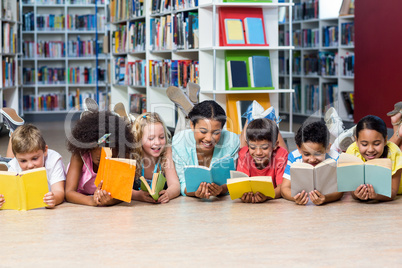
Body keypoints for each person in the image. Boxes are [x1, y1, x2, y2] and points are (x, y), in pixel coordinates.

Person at [172, 100, 240, 199]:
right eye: (203, 131)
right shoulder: (179, 142)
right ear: (192, 125)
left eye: (216, 132)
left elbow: (232, 180)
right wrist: (195, 192)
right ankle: (190, 101)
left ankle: (191, 100)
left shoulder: (231, 141)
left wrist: (221, 189)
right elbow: (182, 183)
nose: (209, 138)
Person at [65, 110, 135, 206]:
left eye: (111, 157)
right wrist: (91, 201)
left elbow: (124, 192)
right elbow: (69, 192)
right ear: (90, 148)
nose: (105, 163)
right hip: (82, 197)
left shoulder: (122, 154)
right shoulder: (80, 155)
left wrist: (111, 201)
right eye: (100, 159)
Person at [0, 124, 66, 209]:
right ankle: (12, 131)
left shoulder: (54, 159)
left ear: (45, 150)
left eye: (34, 158)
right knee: (8, 163)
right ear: (16, 158)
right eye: (23, 161)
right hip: (11, 163)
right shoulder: (14, 164)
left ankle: (13, 129)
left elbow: (59, 191)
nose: (30, 165)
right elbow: (9, 194)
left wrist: (54, 199)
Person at [281, 121, 343, 205]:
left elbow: (340, 190)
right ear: (299, 149)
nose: (312, 159)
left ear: (327, 148)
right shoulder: (294, 157)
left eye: (318, 154)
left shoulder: (336, 158)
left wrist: (326, 198)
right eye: (306, 154)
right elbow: (284, 188)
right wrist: (296, 198)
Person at [346, 115, 402, 201]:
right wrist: (356, 194)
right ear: (356, 141)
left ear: (385, 140)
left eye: (376, 144)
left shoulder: (394, 152)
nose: (370, 150)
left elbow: (393, 192)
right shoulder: (353, 152)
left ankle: (398, 130)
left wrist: (377, 196)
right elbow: (353, 192)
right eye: (364, 144)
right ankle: (398, 129)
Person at [131, 112, 180, 204]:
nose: (157, 142)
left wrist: (168, 193)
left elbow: (175, 185)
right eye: (151, 138)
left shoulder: (166, 151)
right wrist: (137, 195)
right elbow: (121, 188)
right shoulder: (132, 155)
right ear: (139, 139)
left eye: (161, 137)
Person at [236, 118, 288, 203]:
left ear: (275, 145)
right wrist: (243, 195)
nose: (258, 152)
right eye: (252, 147)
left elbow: (282, 188)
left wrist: (267, 196)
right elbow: (240, 186)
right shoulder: (244, 154)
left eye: (264, 148)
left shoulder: (281, 155)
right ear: (248, 145)